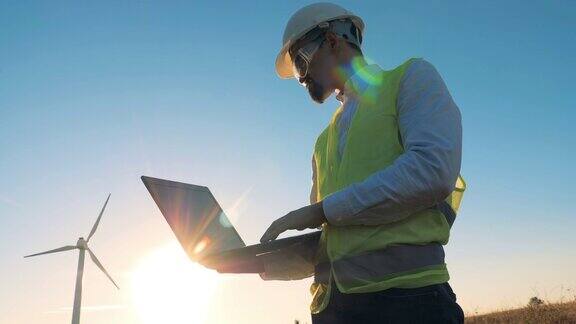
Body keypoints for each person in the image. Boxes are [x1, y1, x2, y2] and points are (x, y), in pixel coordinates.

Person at [260, 3, 467, 323]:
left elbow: (432, 170)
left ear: (332, 40)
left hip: (408, 303)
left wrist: (317, 211)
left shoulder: (411, 79)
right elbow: (337, 236)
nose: (301, 78)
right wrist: (264, 262)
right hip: (333, 309)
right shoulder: (321, 143)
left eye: (301, 62)